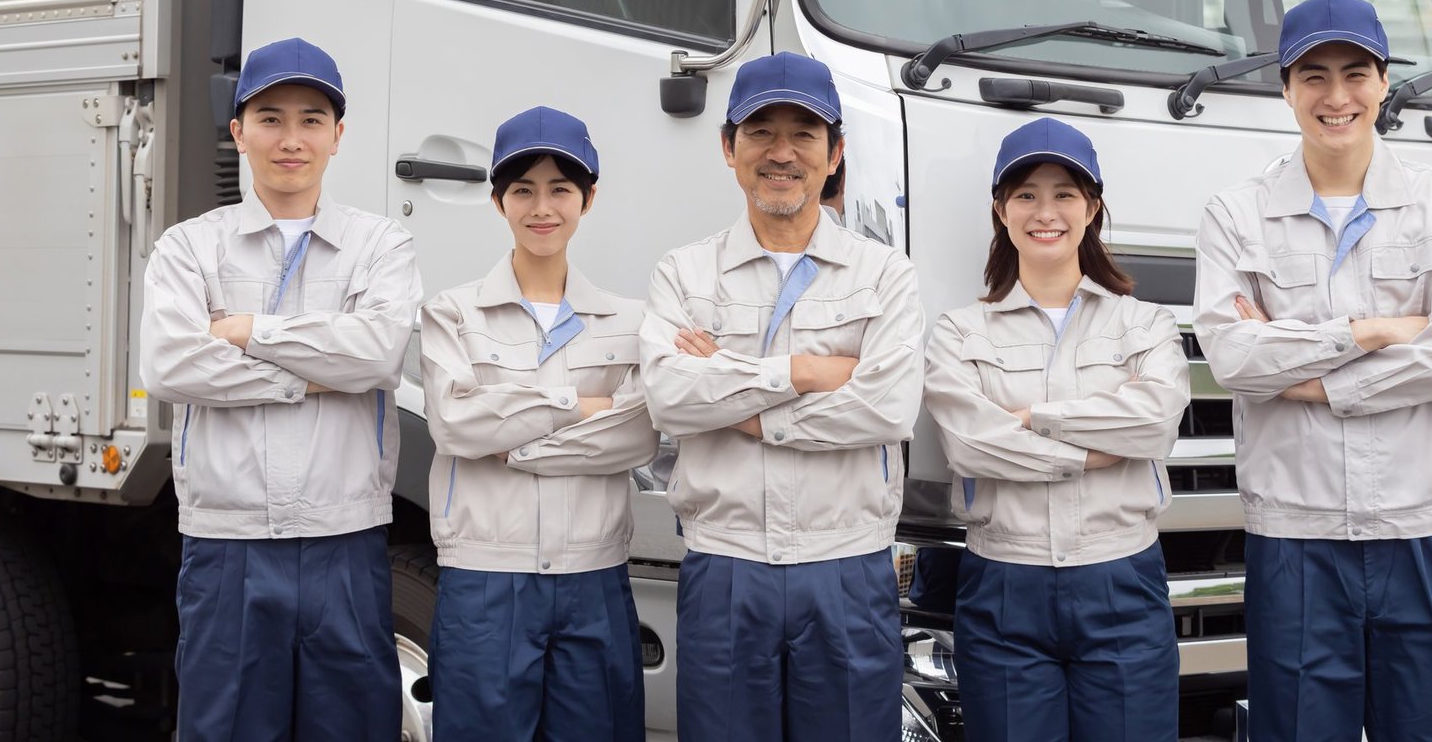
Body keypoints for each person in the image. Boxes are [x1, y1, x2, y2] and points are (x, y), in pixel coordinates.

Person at [1194, 0, 1432, 741]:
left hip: (1422, 522)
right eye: (1314, 76)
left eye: (1354, 72)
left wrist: (1310, 378)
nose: (1336, 97)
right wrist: (1374, 331)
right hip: (1297, 531)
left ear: (1384, 80)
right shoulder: (1236, 214)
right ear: (1286, 88)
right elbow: (1233, 355)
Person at [140, 37, 421, 740]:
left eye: (311, 119)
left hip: (345, 540)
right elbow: (170, 367)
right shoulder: (189, 246)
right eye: (270, 118)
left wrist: (246, 331)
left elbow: (379, 354)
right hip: (227, 544)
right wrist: (316, 377)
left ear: (337, 136)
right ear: (238, 131)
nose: (290, 139)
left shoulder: (380, 245)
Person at [640, 51, 925, 742]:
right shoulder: (683, 273)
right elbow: (670, 401)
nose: (782, 152)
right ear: (728, 148)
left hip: (847, 568)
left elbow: (886, 408)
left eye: (805, 133)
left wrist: (736, 397)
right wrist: (799, 371)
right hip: (727, 565)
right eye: (761, 130)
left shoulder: (885, 276)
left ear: (835, 155)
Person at [924, 117, 1188, 741]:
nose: (1047, 211)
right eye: (1026, 195)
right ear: (1001, 210)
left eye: (1065, 193)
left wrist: (1035, 419)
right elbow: (969, 445)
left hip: (1121, 577)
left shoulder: (1144, 323)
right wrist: (1096, 452)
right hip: (1004, 585)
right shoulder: (961, 332)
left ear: (1092, 208)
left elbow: (1154, 425)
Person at [419, 106, 657, 741]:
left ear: (589, 198)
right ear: (498, 202)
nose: (541, 207)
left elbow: (636, 435)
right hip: (485, 581)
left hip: (594, 578)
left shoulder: (630, 322)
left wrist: (511, 440)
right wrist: (578, 407)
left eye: (560, 189)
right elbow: (456, 427)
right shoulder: (453, 314)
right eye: (522, 189)